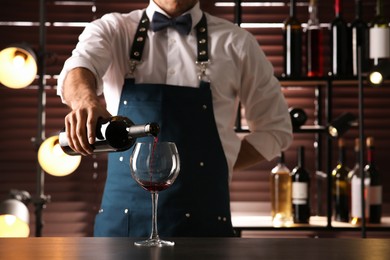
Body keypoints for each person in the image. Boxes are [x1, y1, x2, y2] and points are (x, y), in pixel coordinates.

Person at [57, 0, 293, 237]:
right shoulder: (111, 28)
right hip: (121, 229)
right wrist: (85, 102)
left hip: (205, 226)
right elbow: (80, 66)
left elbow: (276, 129)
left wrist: (222, 161)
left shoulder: (238, 42)